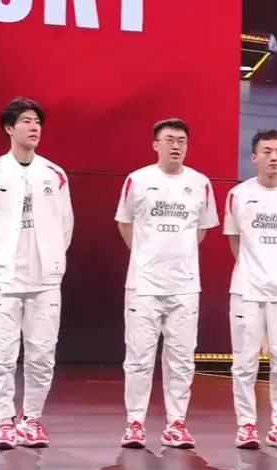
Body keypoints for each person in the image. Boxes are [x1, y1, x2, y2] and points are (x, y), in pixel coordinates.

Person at [0, 97, 75, 450]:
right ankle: (4, 422)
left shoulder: (54, 175)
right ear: (9, 128)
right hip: (3, 278)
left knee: (42, 353)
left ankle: (32, 420)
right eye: (26, 121)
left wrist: (52, 260)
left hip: (45, 280)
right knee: (2, 354)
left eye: (37, 121)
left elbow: (65, 225)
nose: (34, 127)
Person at [114, 118, 220, 449]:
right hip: (143, 285)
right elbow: (125, 223)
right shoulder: (138, 180)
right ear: (155, 144)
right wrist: (145, 258)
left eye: (182, 141)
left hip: (185, 286)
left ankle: (176, 424)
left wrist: (178, 256)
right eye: (170, 139)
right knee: (139, 358)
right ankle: (135, 423)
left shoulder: (200, 183)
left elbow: (202, 229)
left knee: (182, 358)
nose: (176, 146)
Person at [224, 129, 277, 450]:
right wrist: (254, 268)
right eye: (267, 151)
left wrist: (276, 269)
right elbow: (234, 240)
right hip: (246, 289)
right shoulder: (238, 195)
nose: (274, 157)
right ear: (254, 157)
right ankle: (246, 425)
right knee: (244, 363)